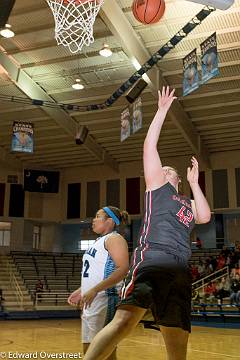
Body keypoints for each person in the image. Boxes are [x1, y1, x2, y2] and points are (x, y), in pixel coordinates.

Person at [84, 86, 211, 360]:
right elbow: (149, 146)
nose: (161, 169)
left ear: (175, 179)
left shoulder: (186, 203)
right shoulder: (157, 189)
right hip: (151, 259)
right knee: (124, 321)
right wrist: (163, 110)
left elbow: (204, 217)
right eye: (160, 169)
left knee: (177, 334)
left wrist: (193, 183)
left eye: (167, 170)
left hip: (178, 268)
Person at [67, 206, 129, 359]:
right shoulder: (98, 242)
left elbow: (123, 269)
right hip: (93, 300)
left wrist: (95, 290)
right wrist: (82, 290)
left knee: (100, 351)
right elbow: (96, 272)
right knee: (95, 349)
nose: (93, 220)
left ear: (109, 221)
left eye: (97, 216)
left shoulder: (114, 238)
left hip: (105, 298)